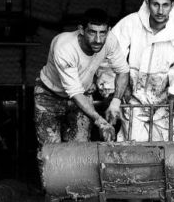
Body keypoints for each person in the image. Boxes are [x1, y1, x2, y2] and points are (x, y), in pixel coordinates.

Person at [110, 0, 174, 141]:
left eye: (165, 5)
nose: (160, 11)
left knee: (165, 149)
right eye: (156, 4)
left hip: (165, 100)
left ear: (172, 5)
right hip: (133, 98)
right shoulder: (131, 22)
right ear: (148, 3)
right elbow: (111, 53)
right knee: (132, 146)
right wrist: (119, 89)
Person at [34, 8, 128, 148]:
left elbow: (123, 71)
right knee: (50, 154)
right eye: (92, 32)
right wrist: (100, 121)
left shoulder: (110, 41)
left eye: (102, 33)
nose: (98, 39)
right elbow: (74, 92)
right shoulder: (64, 47)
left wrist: (115, 102)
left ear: (108, 30)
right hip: (49, 96)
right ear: (81, 30)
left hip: (83, 95)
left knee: (79, 151)